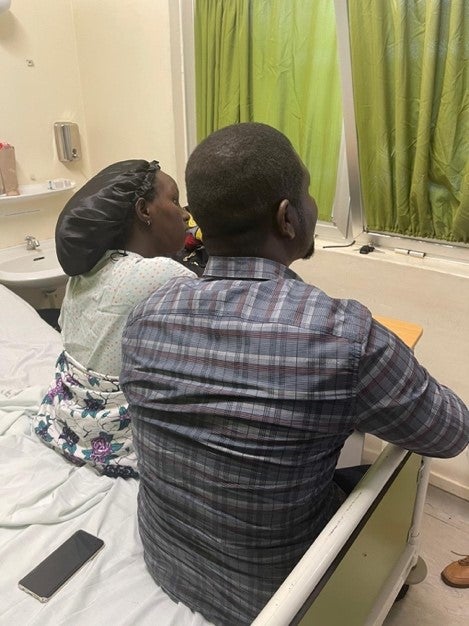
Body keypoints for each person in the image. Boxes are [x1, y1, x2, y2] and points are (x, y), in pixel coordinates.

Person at [120, 123, 469, 624]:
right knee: (382, 467)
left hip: (168, 563)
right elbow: (450, 432)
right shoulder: (345, 336)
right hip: (276, 596)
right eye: (306, 193)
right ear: (288, 218)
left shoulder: (147, 314)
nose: (310, 204)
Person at [33, 159, 193, 478]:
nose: (186, 214)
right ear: (144, 211)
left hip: (65, 420)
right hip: (112, 440)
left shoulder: (85, 272)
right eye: (174, 200)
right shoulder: (161, 273)